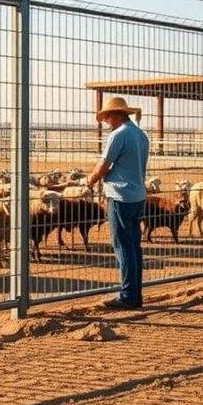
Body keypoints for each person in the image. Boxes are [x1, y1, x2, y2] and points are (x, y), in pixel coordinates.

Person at [86, 96, 150, 310]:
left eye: (106, 118)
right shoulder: (141, 135)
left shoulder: (118, 135)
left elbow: (104, 164)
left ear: (115, 115)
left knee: (122, 247)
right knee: (133, 246)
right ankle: (135, 293)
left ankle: (127, 296)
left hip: (120, 197)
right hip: (138, 196)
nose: (105, 122)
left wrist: (91, 180)